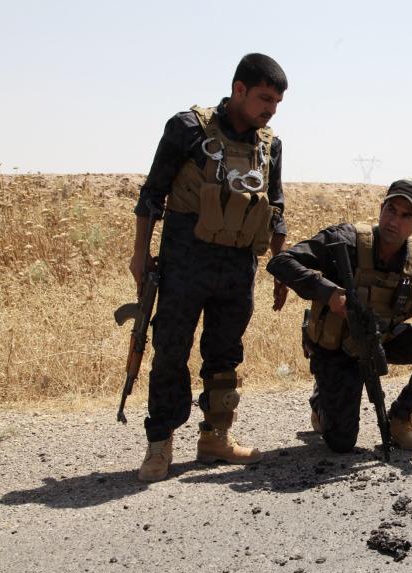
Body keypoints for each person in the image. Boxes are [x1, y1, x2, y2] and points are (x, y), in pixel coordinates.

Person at [130, 53, 290, 482]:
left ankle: (215, 437)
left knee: (224, 355)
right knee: (170, 352)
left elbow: (275, 208)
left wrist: (278, 265)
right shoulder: (188, 128)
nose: (270, 109)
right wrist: (139, 254)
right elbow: (152, 195)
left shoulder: (269, 144)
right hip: (186, 260)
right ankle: (160, 443)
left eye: (275, 102)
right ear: (238, 89)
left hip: (238, 267)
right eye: (263, 98)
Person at [266, 180, 412, 453]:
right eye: (390, 209)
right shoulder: (345, 240)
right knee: (341, 443)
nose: (394, 221)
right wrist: (328, 293)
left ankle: (400, 418)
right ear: (381, 209)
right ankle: (322, 398)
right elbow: (280, 262)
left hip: (382, 338)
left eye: (405, 216)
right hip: (337, 345)